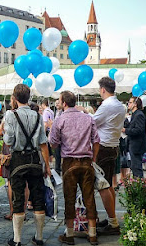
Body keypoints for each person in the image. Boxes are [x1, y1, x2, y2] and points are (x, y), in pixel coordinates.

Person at [3, 84, 51, 246]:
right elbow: (43, 143)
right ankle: (39, 237)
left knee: (18, 197)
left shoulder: (10, 115)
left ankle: (17, 240)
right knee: (38, 198)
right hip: (35, 159)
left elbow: (8, 141)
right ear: (28, 97)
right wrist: (47, 166)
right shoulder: (38, 116)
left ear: (15, 98)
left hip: (18, 159)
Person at [50, 91, 100, 245]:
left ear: (64, 103)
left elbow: (53, 143)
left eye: (59, 101)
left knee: (69, 198)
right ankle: (92, 233)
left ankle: (69, 234)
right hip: (86, 161)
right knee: (89, 197)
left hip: (69, 162)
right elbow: (96, 141)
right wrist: (93, 159)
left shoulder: (60, 120)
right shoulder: (88, 118)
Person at [78, 77, 125, 236]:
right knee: (109, 184)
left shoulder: (107, 105)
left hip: (103, 148)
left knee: (103, 186)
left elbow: (92, 123)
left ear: (103, 89)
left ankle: (112, 222)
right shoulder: (119, 105)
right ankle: (112, 220)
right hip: (113, 146)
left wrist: (82, 113)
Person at [122, 97, 146, 178]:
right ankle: (137, 184)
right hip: (132, 145)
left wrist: (125, 130)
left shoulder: (139, 115)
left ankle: (139, 185)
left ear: (135, 104)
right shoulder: (134, 114)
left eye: (130, 102)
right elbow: (132, 126)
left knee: (137, 168)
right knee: (133, 166)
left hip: (137, 145)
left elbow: (138, 130)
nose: (128, 104)